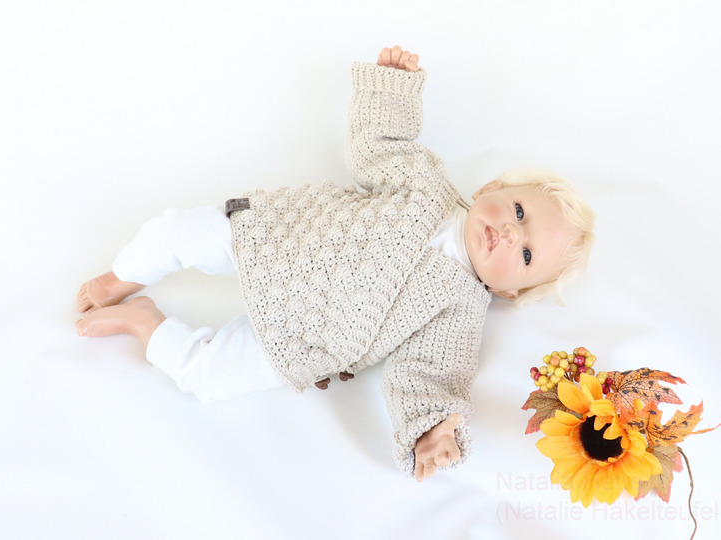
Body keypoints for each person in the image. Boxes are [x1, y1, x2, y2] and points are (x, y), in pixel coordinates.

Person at [76, 46, 595, 483]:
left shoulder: (460, 310)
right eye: (519, 211)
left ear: (509, 292)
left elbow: (428, 372)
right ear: (491, 188)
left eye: (526, 254)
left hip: (306, 340)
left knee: (208, 378)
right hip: (281, 238)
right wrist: (392, 89)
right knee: (173, 233)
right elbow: (378, 147)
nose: (510, 234)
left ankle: (142, 322)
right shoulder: (427, 184)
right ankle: (121, 276)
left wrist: (433, 429)